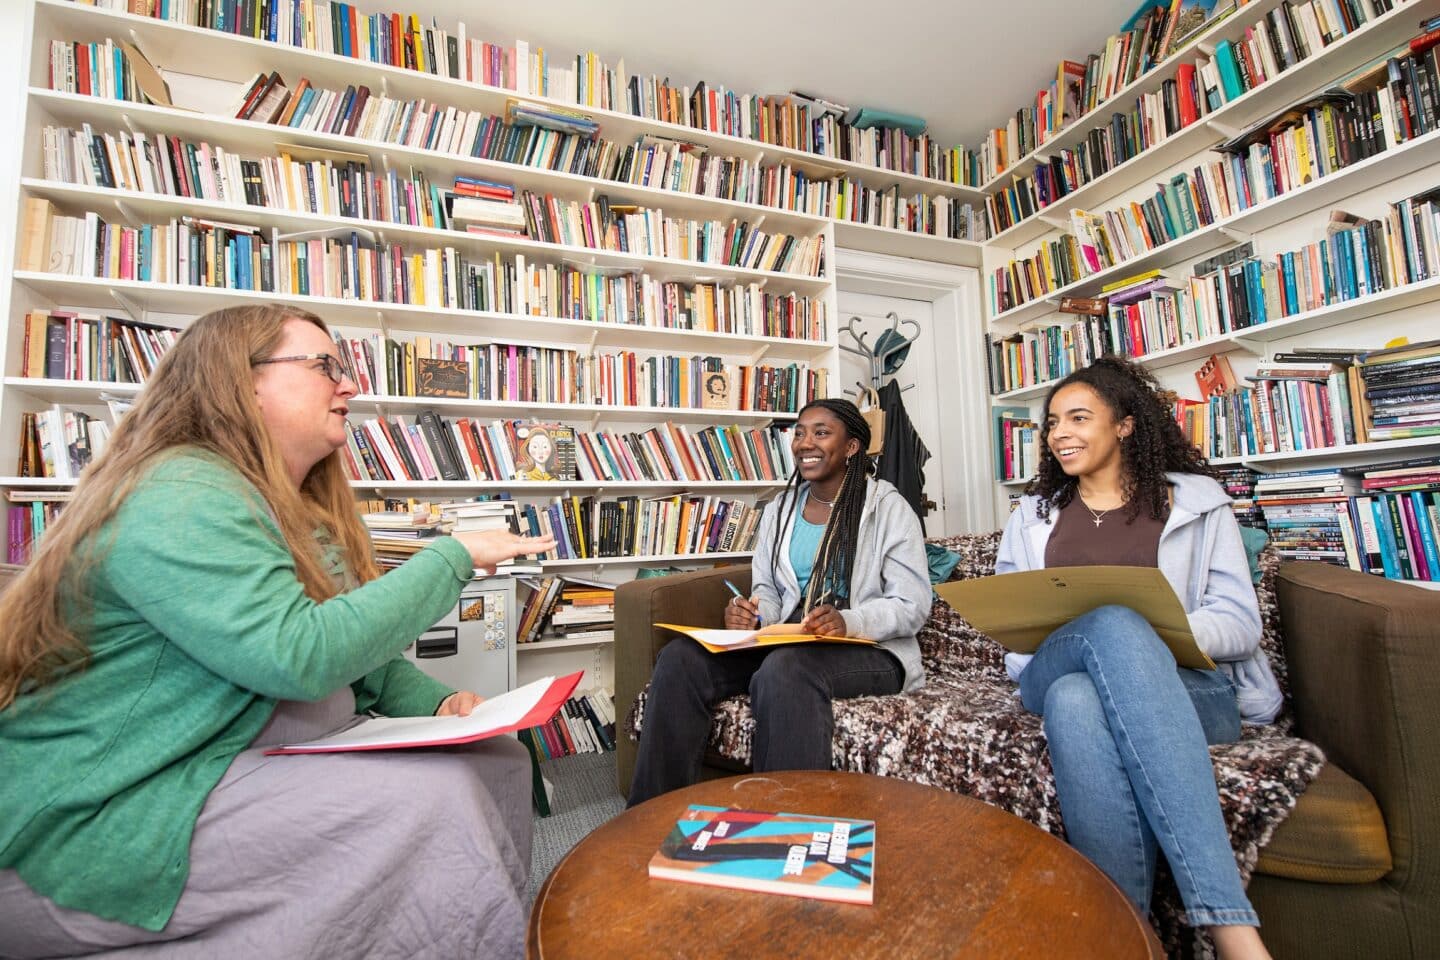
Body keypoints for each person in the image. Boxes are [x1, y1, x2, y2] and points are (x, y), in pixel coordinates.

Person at [0, 305, 556, 959]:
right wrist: (453, 557)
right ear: (243, 380)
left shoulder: (296, 510)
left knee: (499, 760)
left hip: (229, 758)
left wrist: (437, 705)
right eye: (325, 366)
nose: (348, 385)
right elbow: (297, 656)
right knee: (432, 802)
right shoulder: (177, 493)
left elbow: (361, 661)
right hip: (113, 802)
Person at [994, 356, 1281, 960]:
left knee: (1082, 697)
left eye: (1078, 418)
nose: (1060, 434)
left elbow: (1239, 624)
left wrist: (1143, 634)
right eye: (1051, 424)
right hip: (1054, 666)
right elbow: (1011, 621)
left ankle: (1122, 940)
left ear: (1125, 424)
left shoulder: (1197, 505)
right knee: (1104, 637)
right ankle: (1233, 930)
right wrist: (1117, 628)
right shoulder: (1033, 515)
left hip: (1191, 693)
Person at [627, 398, 930, 806]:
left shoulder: (888, 509)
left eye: (821, 433)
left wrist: (849, 620)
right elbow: (767, 586)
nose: (806, 443)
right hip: (788, 638)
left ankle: (786, 831)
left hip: (868, 648)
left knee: (784, 671)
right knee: (681, 658)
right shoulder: (781, 508)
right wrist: (753, 615)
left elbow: (913, 604)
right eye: (800, 433)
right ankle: (653, 815)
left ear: (853, 447)